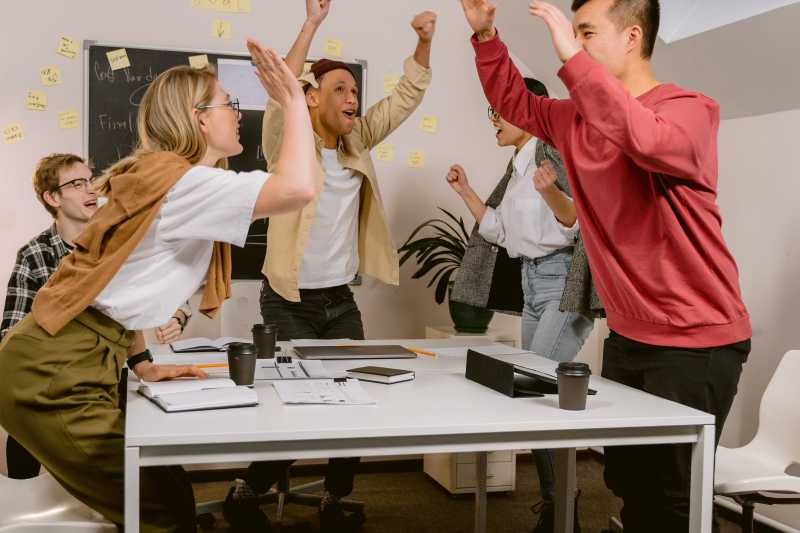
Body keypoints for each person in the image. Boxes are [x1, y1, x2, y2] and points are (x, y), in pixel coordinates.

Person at [459, 1, 752, 531]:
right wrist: (486, 37)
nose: (574, 45)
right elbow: (515, 102)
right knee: (628, 485)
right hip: (631, 335)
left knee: (672, 500)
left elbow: (642, 137)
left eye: (586, 32)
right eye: (573, 34)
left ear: (632, 36)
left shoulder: (689, 109)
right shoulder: (574, 119)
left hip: (696, 342)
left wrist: (573, 60)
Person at [0, 40, 315, 532]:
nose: (237, 114)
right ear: (198, 118)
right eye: (228, 104)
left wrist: (144, 363)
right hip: (52, 371)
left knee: (166, 484)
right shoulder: (183, 185)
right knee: (158, 509)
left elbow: (116, 286)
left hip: (72, 357)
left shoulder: (163, 178)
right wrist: (295, 104)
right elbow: (298, 187)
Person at [223, 2, 436, 532]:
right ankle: (246, 488)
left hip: (340, 301)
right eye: (339, 89)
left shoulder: (357, 141)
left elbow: (406, 97)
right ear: (312, 98)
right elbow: (282, 90)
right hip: (289, 302)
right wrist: (312, 23)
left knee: (354, 403)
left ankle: (334, 497)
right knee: (294, 408)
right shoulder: (286, 144)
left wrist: (424, 43)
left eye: (354, 90)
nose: (352, 98)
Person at [448, 78, 594, 532]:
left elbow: (574, 218)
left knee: (536, 387)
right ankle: (558, 506)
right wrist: (466, 191)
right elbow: (501, 233)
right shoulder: (516, 167)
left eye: (499, 110)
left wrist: (550, 190)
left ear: (526, 111)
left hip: (561, 282)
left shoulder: (549, 154)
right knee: (536, 400)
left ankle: (563, 506)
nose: (492, 119)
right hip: (534, 284)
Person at [0, 153, 190, 480]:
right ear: (52, 197)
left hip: (104, 380)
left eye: (90, 180)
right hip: (51, 379)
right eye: (76, 184)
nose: (90, 190)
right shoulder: (35, 255)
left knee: (152, 459)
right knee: (23, 437)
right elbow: (11, 335)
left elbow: (139, 306)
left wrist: (175, 315)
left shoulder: (116, 243)